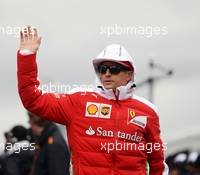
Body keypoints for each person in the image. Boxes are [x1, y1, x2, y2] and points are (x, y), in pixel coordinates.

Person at [17, 26, 169, 175]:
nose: (107, 74)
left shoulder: (148, 111)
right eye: (103, 69)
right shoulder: (78, 101)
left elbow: (158, 164)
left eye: (114, 69)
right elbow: (32, 99)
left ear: (129, 74)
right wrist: (27, 56)